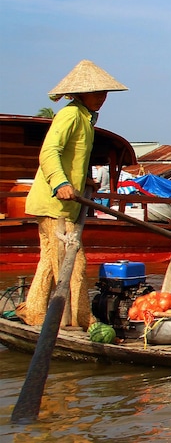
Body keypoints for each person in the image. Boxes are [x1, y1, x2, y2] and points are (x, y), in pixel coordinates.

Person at [17, 60, 128, 329]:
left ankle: (32, 310)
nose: (102, 99)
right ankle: (82, 318)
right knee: (75, 263)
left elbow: (72, 158)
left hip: (64, 206)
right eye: (97, 93)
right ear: (80, 94)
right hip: (54, 204)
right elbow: (49, 152)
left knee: (49, 260)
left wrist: (83, 181)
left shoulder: (85, 120)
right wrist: (60, 183)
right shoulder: (70, 115)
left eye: (104, 94)